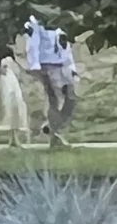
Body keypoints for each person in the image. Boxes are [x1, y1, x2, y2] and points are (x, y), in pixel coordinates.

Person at [23, 14, 78, 143]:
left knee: (71, 98)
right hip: (47, 65)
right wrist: (35, 65)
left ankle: (52, 127)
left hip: (63, 65)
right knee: (55, 99)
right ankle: (54, 136)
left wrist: (72, 68)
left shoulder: (61, 22)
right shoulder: (36, 23)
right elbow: (33, 44)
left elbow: (66, 48)